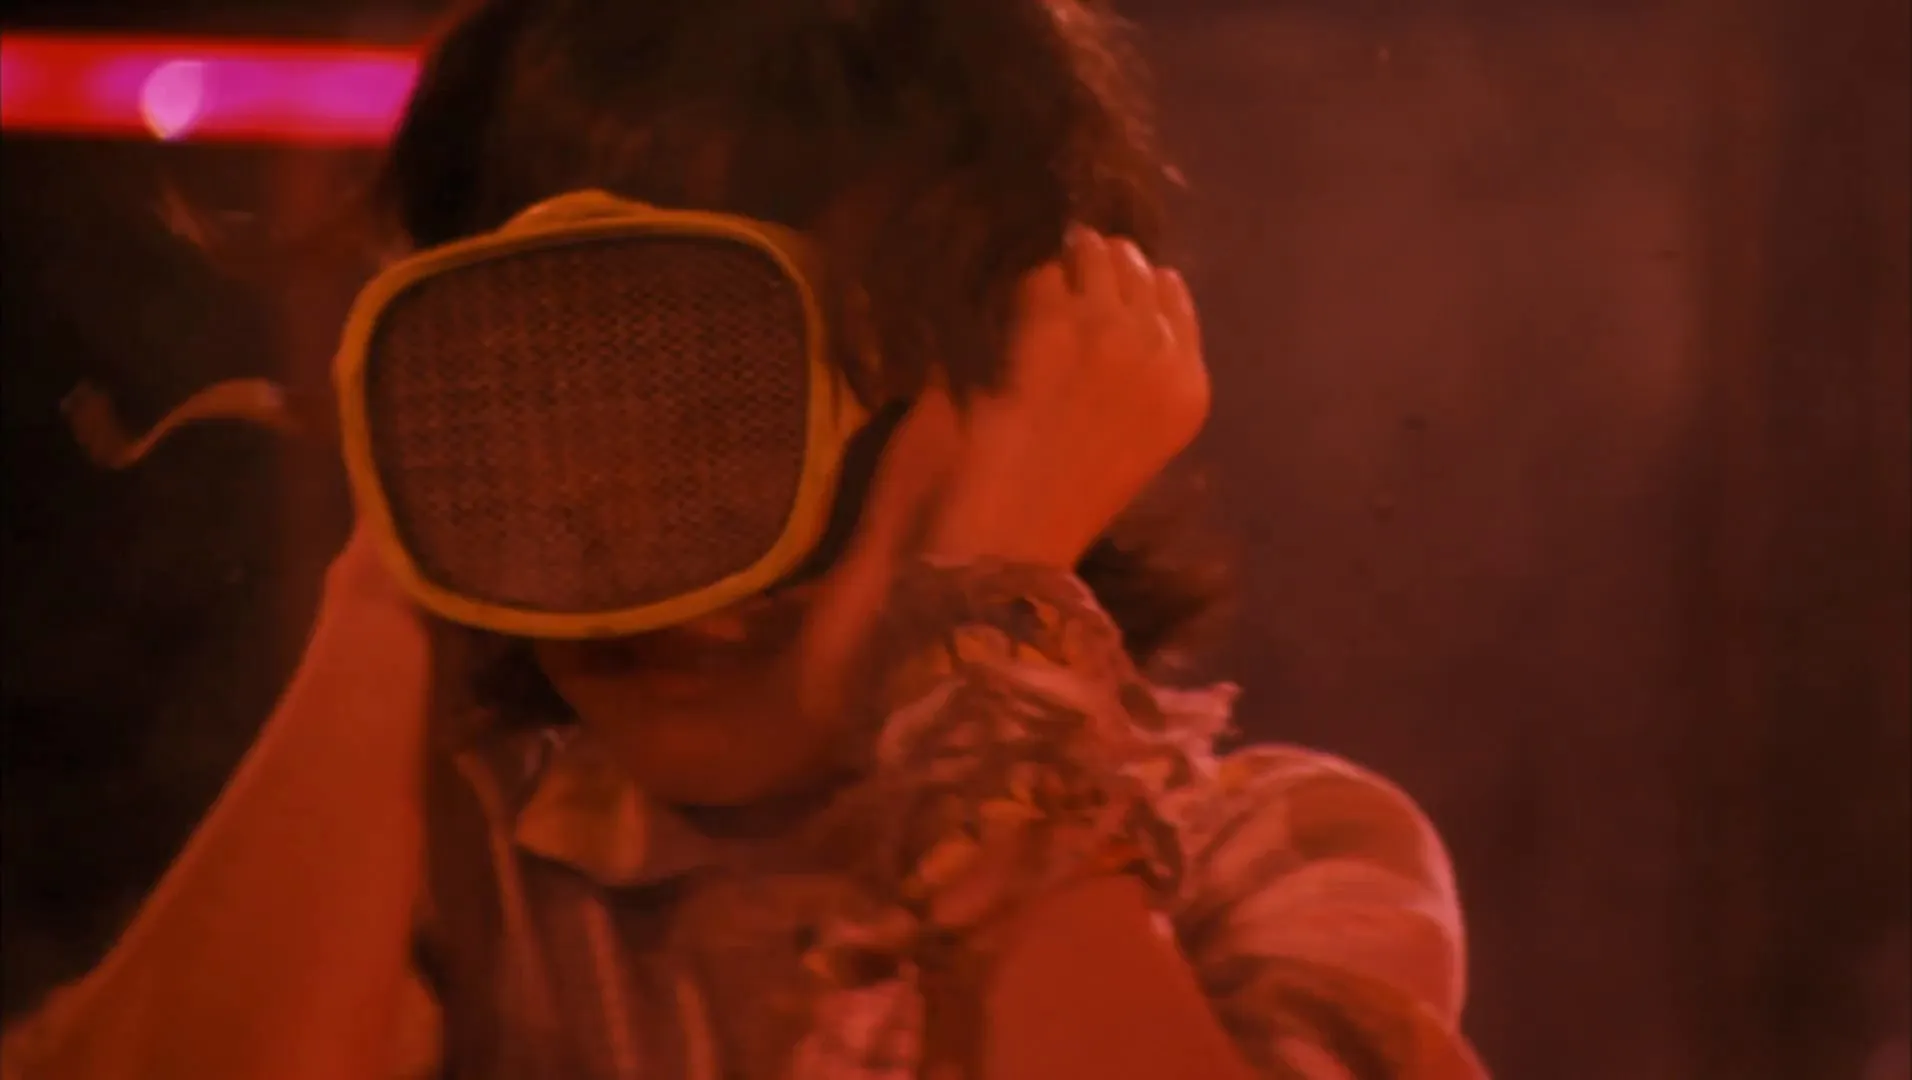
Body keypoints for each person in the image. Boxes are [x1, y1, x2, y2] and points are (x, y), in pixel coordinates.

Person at [1, 1, 1485, 1077]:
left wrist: (987, 630)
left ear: (1029, 396)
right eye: (554, 407)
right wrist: (401, 569)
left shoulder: (1270, 864)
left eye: (756, 410)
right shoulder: (442, 884)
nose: (667, 561)